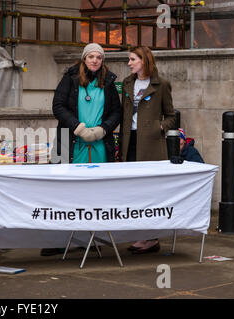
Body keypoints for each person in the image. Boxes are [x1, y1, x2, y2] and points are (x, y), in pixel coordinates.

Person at [42, 43, 122, 256]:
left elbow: (116, 111)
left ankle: (92, 237)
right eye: (91, 57)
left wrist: (103, 130)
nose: (95, 60)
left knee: (96, 191)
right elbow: (58, 106)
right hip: (68, 142)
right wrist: (78, 127)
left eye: (99, 57)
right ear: (84, 59)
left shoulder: (109, 82)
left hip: (99, 144)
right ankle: (58, 240)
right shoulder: (69, 78)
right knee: (62, 192)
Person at [119, 46, 176, 254]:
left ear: (144, 60)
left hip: (151, 145)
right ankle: (141, 236)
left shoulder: (161, 85)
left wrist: (159, 127)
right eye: (129, 59)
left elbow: (171, 116)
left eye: (133, 59)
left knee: (150, 192)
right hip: (130, 142)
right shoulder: (127, 83)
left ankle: (150, 238)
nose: (129, 63)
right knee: (133, 191)